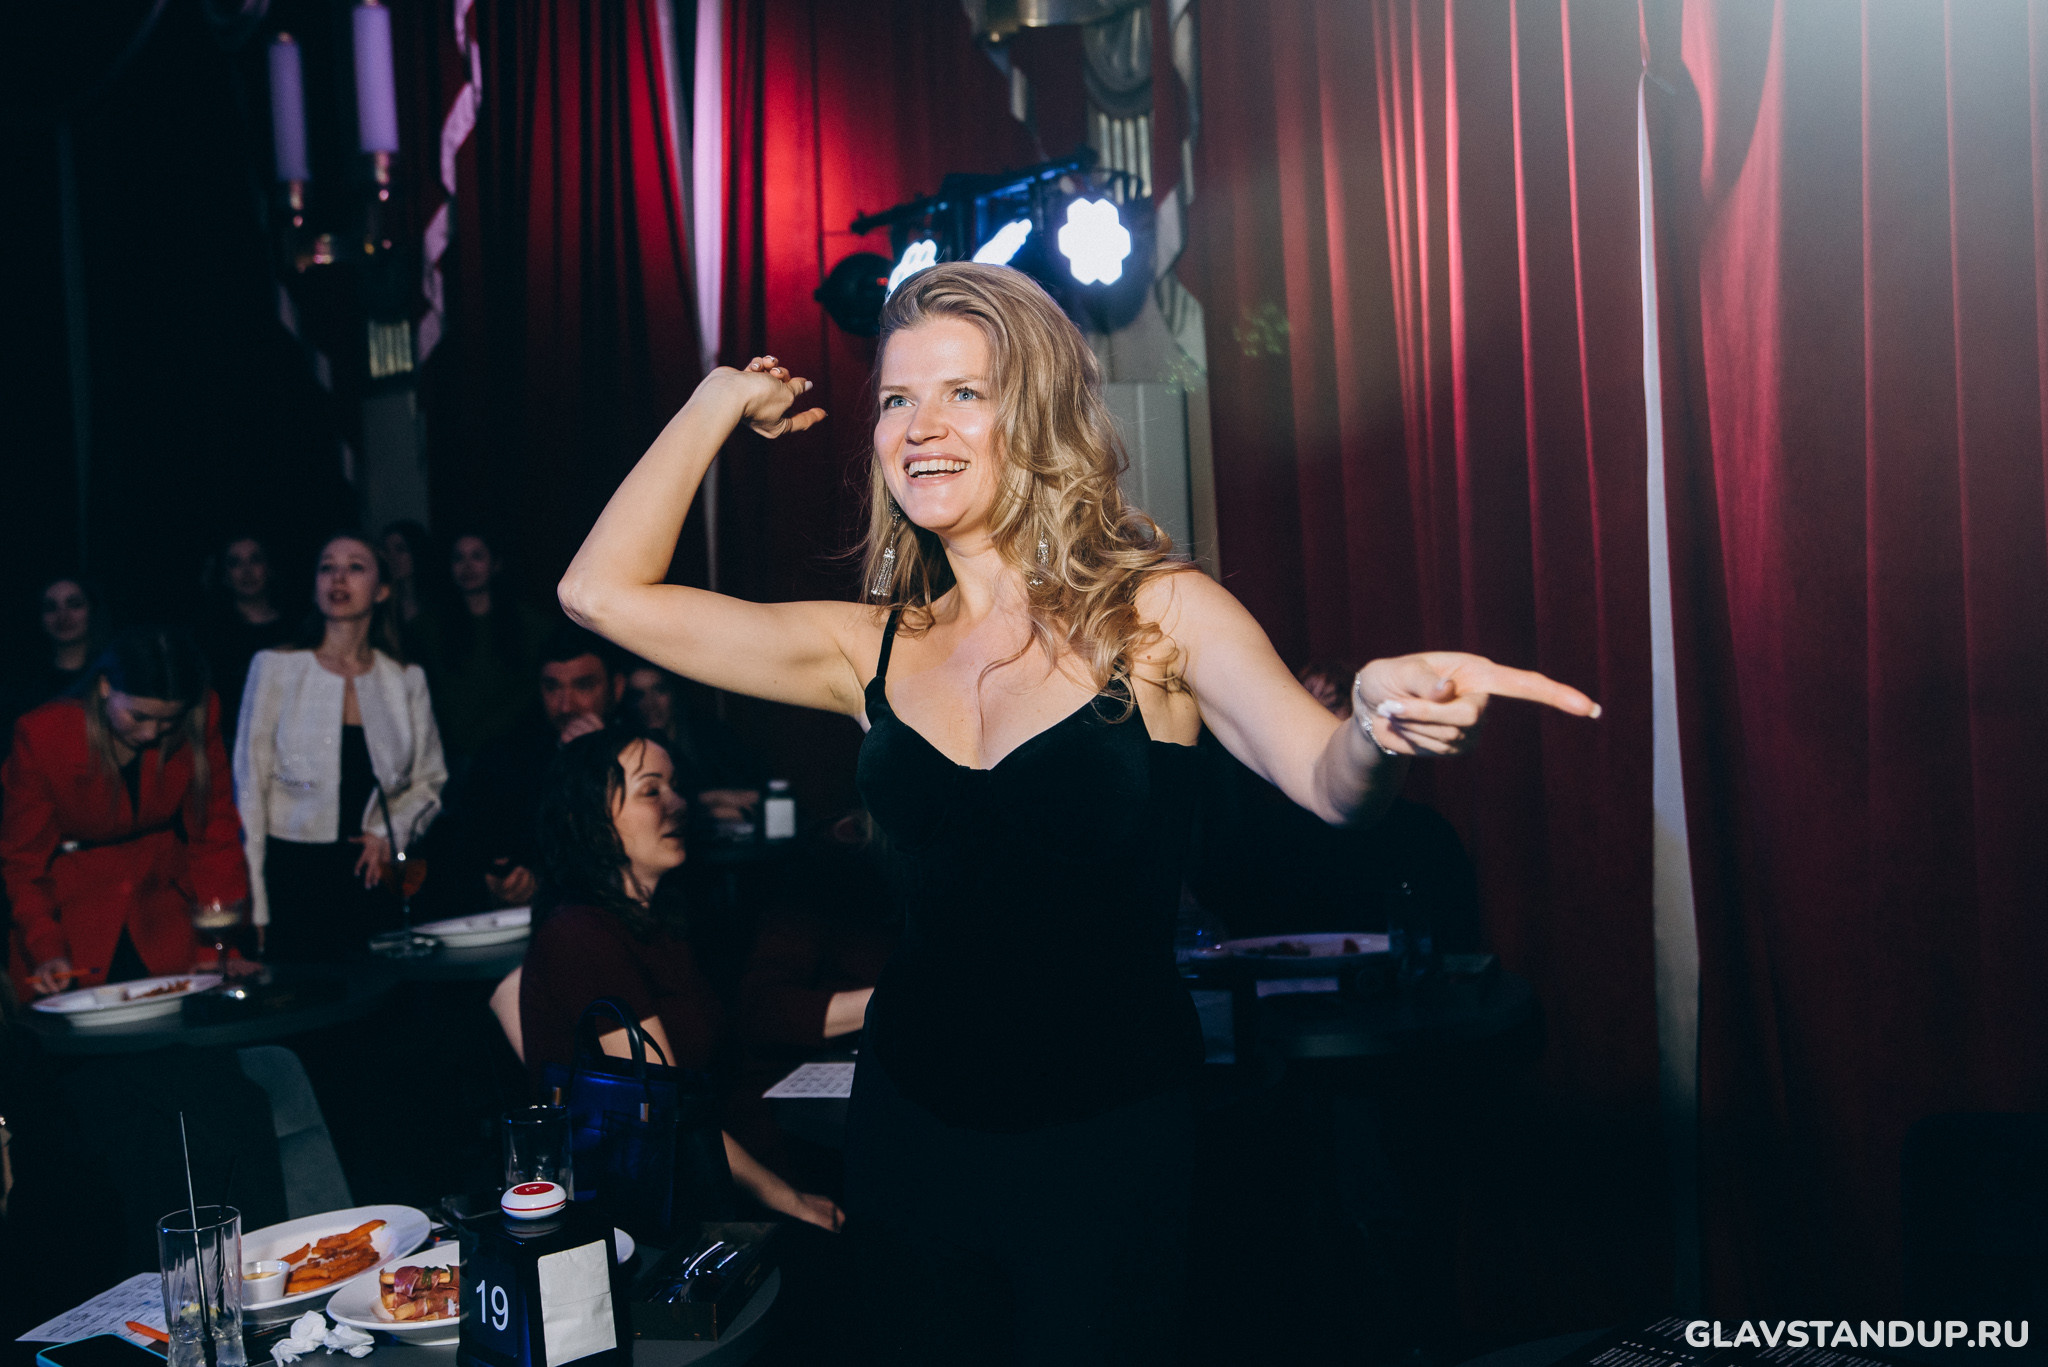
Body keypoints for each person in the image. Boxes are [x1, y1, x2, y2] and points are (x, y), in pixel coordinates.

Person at [558, 263, 1600, 1363]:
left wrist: (1376, 726)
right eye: (897, 399)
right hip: (909, 1130)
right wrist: (720, 396)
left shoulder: (1157, 615)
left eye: (965, 392)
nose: (920, 426)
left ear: (1039, 415)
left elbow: (1325, 781)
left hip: (1110, 1137)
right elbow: (597, 593)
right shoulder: (867, 645)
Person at [518, 726, 846, 1231]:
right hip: (649, 1212)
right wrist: (792, 1201)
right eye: (651, 790)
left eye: (674, 787)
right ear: (590, 817)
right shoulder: (582, 935)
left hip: (710, 1168)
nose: (677, 803)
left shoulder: (656, 924)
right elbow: (667, 1114)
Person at [2, 627, 249, 998]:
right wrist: (45, 947)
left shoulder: (200, 714)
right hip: (74, 923)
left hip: (167, 918)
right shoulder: (43, 734)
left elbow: (216, 832)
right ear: (105, 686)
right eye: (139, 716)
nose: (151, 733)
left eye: (168, 721)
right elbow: (23, 862)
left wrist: (217, 946)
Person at [234, 533, 446, 962]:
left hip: (372, 874)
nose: (338, 578)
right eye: (327, 567)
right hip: (294, 874)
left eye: (355, 567)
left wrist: (389, 831)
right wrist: (255, 901)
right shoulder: (275, 668)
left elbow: (430, 781)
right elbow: (249, 788)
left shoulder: (405, 679)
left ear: (382, 590)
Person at [1188, 660, 1482, 944]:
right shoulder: (1256, 840)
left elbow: (1456, 938)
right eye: (1302, 708)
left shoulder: (1425, 835)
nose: (1312, 722)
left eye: (1330, 705)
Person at [425, 623, 624, 916]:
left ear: (616, 688)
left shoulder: (640, 751)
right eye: (552, 687)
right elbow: (469, 851)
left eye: (583, 686)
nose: (566, 706)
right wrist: (500, 881)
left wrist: (598, 758)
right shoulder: (505, 758)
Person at [408, 530, 552, 767]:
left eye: (477, 556)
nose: (467, 567)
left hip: (512, 753)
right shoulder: (429, 627)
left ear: (495, 564)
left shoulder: (529, 624)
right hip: (449, 754)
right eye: (458, 558)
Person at [622, 663, 763, 826]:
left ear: (674, 693)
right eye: (638, 695)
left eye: (660, 690)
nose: (650, 703)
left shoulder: (710, 735)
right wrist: (713, 800)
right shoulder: (629, 750)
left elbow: (753, 794)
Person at [195, 534, 294, 740]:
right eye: (235, 563)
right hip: (233, 739)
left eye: (255, 560)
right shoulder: (210, 634)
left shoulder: (299, 627)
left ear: (269, 567)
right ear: (224, 575)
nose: (247, 571)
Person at [2, 575, 105, 756]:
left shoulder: (112, 675)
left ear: (92, 610)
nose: (62, 616)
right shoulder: (21, 683)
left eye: (74, 604)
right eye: (51, 608)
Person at [378, 520, 434, 630]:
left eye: (400, 549)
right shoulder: (384, 602)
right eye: (387, 551)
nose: (392, 558)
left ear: (416, 551)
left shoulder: (438, 600)